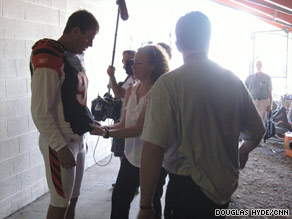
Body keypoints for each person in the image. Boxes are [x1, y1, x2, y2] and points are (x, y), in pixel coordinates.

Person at [138, 11, 266, 219]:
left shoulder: (170, 83)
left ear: (178, 45)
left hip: (187, 190)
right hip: (224, 189)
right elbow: (257, 132)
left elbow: (153, 147)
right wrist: (242, 151)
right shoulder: (232, 81)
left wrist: (145, 206)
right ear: (209, 40)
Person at [30, 10, 99, 219]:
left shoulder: (72, 56)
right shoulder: (50, 53)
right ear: (75, 30)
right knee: (60, 204)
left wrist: (82, 133)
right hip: (60, 142)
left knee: (73, 198)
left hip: (76, 139)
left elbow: (74, 102)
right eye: (89, 37)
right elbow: (40, 111)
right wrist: (60, 147)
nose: (90, 44)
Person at [90, 45, 169, 219]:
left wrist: (104, 133)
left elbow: (136, 130)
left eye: (139, 63)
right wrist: (101, 127)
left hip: (153, 160)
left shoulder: (157, 92)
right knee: (119, 199)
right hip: (132, 158)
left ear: (153, 66)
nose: (132, 66)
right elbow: (123, 123)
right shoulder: (132, 90)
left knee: (152, 202)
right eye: (133, 63)